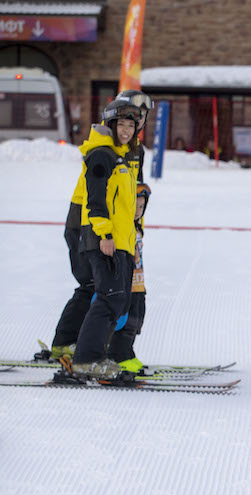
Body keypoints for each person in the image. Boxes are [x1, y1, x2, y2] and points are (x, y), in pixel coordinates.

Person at [41, 90, 152, 363]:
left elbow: (135, 193)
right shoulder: (105, 150)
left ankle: (74, 344)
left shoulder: (132, 149)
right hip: (85, 221)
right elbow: (96, 193)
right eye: (126, 117)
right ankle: (73, 347)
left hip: (113, 223)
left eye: (140, 116)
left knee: (100, 288)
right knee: (95, 285)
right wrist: (105, 231)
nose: (136, 122)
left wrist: (135, 230)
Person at [69, 99, 141, 378]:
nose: (125, 130)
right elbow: (95, 201)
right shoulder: (102, 155)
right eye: (121, 125)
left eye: (131, 126)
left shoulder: (120, 157)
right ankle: (86, 360)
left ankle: (94, 355)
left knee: (116, 301)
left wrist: (131, 243)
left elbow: (124, 210)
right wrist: (105, 234)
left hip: (122, 242)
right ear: (110, 126)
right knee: (108, 298)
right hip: (103, 239)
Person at [107, 183, 151, 373]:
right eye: (134, 206)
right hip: (126, 283)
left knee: (137, 318)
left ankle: (127, 351)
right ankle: (118, 354)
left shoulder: (137, 227)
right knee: (125, 321)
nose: (137, 211)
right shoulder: (122, 228)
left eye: (141, 207)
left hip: (138, 283)